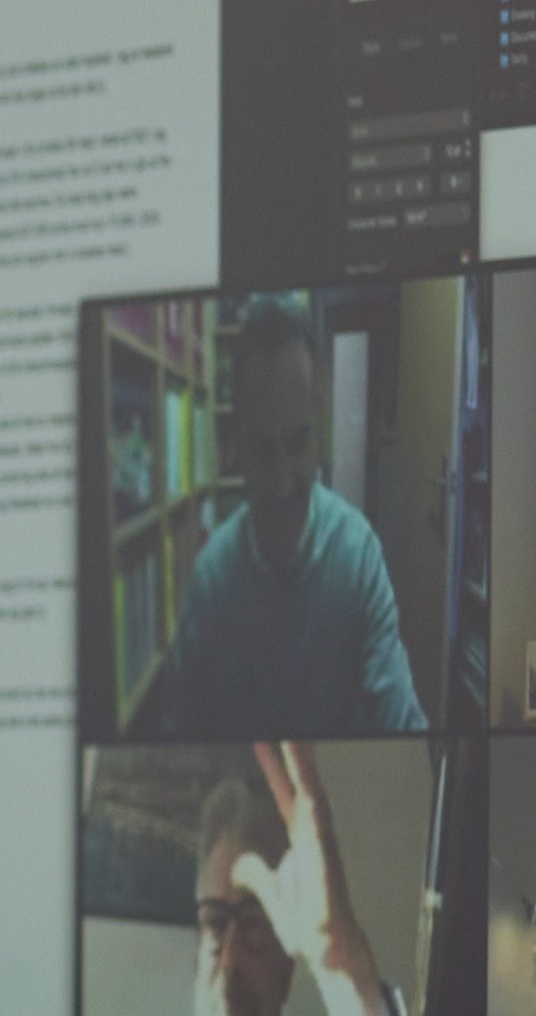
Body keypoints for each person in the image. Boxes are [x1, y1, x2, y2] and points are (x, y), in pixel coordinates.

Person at [127, 295, 427, 737]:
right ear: (235, 449)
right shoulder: (212, 583)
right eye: (263, 451)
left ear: (318, 422)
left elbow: (403, 722)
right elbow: (178, 733)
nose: (284, 482)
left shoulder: (357, 555)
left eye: (297, 443)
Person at [123, 741, 415, 1016]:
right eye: (215, 923)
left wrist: (340, 967)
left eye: (255, 919)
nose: (231, 959)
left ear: (288, 963)